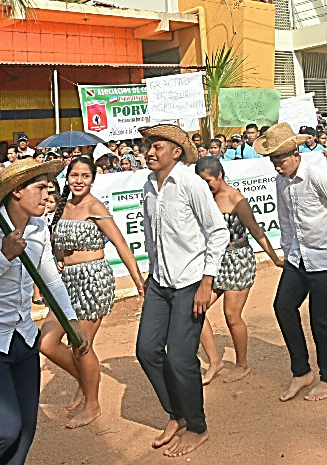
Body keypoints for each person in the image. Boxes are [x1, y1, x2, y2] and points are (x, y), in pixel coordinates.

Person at [0, 155, 84, 465]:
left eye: (49, 188)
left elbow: (52, 281)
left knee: (24, 430)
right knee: (2, 430)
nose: (48, 195)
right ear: (16, 192)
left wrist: (71, 322)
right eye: (40, 187)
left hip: (24, 341)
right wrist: (2, 257)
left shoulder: (38, 230)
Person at [135, 124, 229, 457]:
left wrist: (207, 282)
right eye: (148, 146)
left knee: (179, 357)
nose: (149, 151)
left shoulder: (191, 183)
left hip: (191, 283)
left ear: (176, 152)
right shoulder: (148, 186)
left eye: (156, 146)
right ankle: (177, 414)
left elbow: (218, 233)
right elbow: (151, 235)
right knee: (146, 351)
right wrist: (150, 273)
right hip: (160, 283)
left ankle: (197, 426)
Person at [255, 123, 327, 401]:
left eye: (281, 161)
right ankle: (301, 371)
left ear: (296, 154)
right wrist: (289, 250)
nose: (277, 167)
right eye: (273, 162)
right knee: (283, 306)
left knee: (320, 317)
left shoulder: (316, 176)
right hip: (299, 257)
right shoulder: (281, 181)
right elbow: (286, 219)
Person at [41, 155, 145, 429]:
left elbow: (120, 243)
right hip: (66, 284)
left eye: (85, 176)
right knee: (46, 343)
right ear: (67, 177)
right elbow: (56, 246)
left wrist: (138, 281)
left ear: (93, 179)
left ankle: (92, 403)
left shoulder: (95, 206)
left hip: (93, 281)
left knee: (80, 345)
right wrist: (59, 260)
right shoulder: (61, 207)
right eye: (74, 175)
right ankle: (85, 382)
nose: (78, 181)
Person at [193, 156, 284, 385]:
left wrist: (274, 258)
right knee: (194, 310)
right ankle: (215, 361)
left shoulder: (236, 199)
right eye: (201, 181)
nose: (205, 186)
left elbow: (254, 229)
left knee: (232, 316)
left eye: (208, 181)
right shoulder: (203, 199)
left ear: (219, 175)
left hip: (238, 259)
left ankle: (242, 364)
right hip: (212, 261)